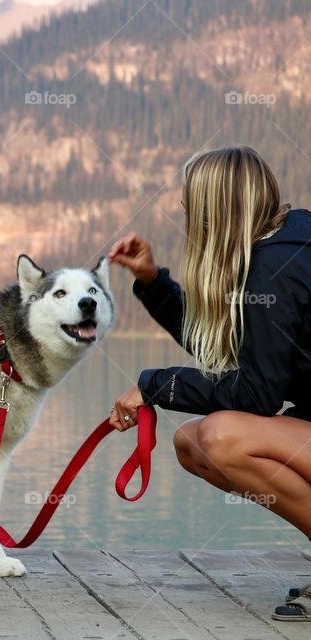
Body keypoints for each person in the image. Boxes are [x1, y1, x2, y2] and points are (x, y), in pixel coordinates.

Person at [107, 145, 311, 622]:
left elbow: (255, 394)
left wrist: (154, 386)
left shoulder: (278, 268)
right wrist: (154, 282)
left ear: (216, 210)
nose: (183, 210)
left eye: (191, 202)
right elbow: (226, 352)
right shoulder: (279, 251)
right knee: (190, 442)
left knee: (220, 437)